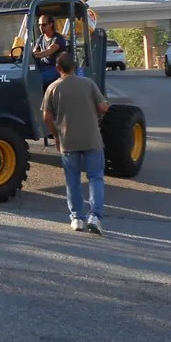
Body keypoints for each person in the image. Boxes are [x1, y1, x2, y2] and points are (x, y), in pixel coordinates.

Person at [41, 51, 109, 234]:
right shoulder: (89, 83)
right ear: (76, 67)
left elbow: (46, 116)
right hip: (92, 139)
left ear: (57, 68)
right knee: (95, 178)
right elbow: (103, 108)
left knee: (72, 181)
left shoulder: (53, 88)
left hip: (68, 141)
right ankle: (95, 216)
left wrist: (56, 135)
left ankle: (77, 219)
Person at [32, 14, 67, 88]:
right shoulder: (41, 38)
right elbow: (35, 50)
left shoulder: (58, 38)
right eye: (39, 25)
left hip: (56, 68)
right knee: (29, 74)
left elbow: (50, 50)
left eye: (44, 25)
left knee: (35, 80)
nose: (41, 27)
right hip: (42, 68)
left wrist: (33, 55)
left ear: (51, 24)